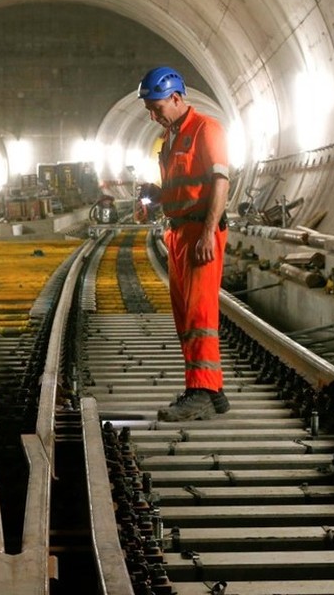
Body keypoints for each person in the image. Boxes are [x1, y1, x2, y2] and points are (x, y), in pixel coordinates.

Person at [136, 66, 231, 421]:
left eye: (156, 107)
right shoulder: (170, 139)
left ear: (176, 98)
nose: (153, 114)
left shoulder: (207, 129)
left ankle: (201, 392)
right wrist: (158, 196)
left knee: (198, 314)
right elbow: (185, 187)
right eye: (149, 108)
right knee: (184, 315)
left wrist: (208, 232)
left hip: (199, 233)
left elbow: (220, 182)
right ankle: (213, 388)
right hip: (178, 232)